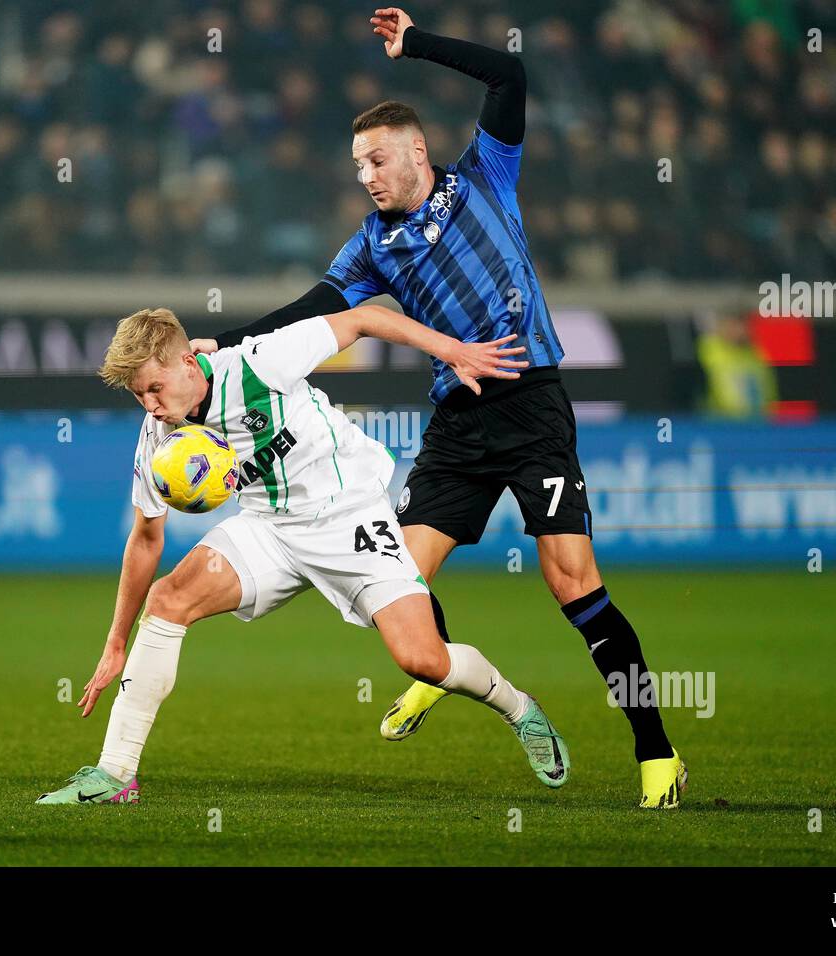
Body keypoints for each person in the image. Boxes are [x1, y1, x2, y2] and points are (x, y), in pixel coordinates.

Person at [193, 8, 686, 808]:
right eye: (358, 166)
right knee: (397, 583)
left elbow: (510, 76)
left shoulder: (485, 175)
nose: (368, 176)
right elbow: (310, 309)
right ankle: (440, 670)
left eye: (378, 159)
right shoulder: (369, 248)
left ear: (417, 151)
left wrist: (414, 45)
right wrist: (223, 342)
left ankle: (656, 751)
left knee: (572, 583)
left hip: (531, 408)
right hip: (457, 420)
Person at [37, 303, 570, 804]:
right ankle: (115, 773)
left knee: (423, 660)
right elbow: (147, 538)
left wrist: (452, 350)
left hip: (349, 515)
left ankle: (519, 707)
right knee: (169, 598)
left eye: (154, 388)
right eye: (139, 396)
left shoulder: (259, 363)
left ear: (186, 360)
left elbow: (362, 318)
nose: (150, 405)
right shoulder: (159, 438)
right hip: (269, 529)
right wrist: (115, 642)